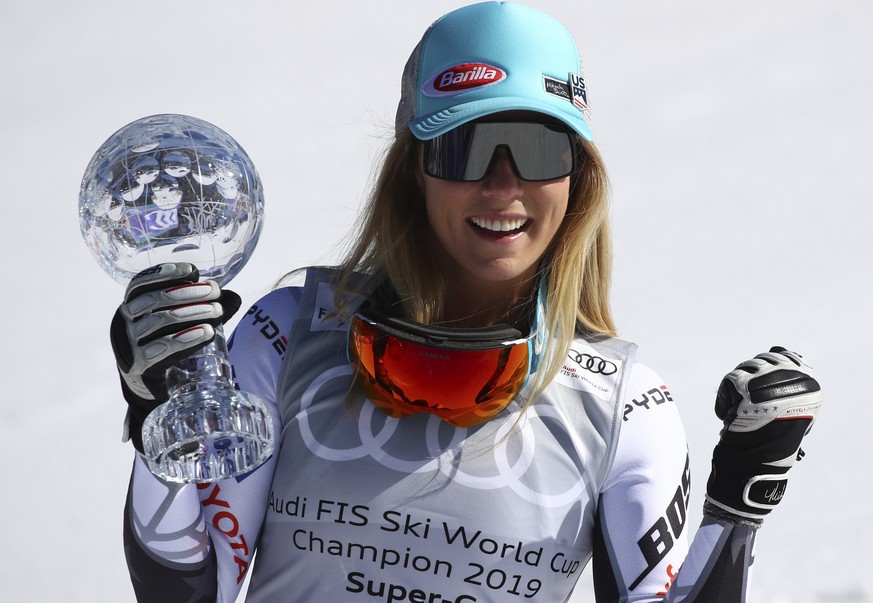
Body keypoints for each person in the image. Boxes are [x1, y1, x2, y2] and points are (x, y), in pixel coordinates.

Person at [110, 2, 823, 602]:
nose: (501, 185)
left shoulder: (622, 405)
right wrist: (159, 425)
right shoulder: (289, 333)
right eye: (467, 147)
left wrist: (737, 505)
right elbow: (191, 589)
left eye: (540, 149)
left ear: (578, 178)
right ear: (411, 170)